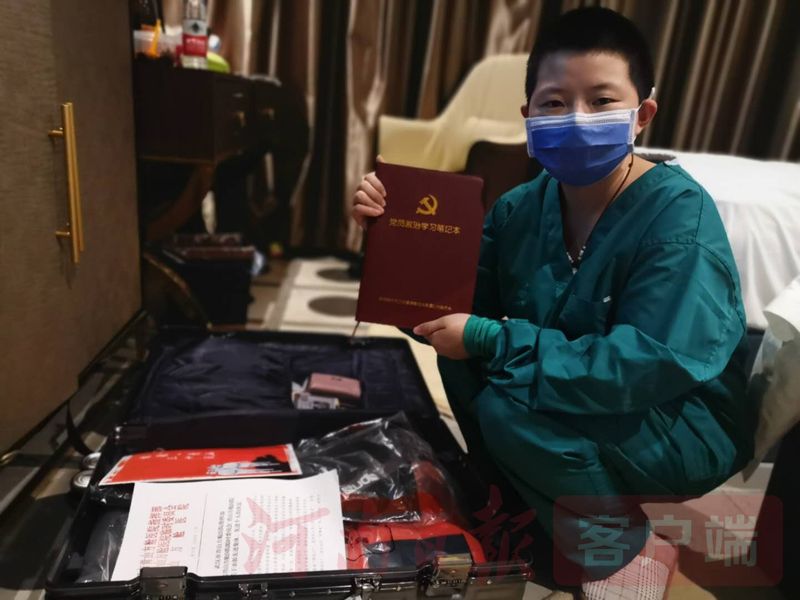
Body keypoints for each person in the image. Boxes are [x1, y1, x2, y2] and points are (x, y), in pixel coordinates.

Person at [352, 7, 754, 599]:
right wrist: (392, 243)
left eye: (601, 101)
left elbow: (648, 365)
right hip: (581, 391)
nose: (576, 119)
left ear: (642, 115)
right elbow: (453, 308)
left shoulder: (677, 220)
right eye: (554, 103)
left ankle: (623, 548)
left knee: (509, 408)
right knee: (463, 366)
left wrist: (492, 338)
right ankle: (525, 506)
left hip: (675, 415)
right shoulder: (520, 208)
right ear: (528, 118)